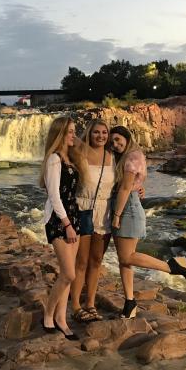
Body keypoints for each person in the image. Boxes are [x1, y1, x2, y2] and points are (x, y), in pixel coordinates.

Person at [109, 125, 186, 319]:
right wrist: (139, 188)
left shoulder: (130, 158)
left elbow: (124, 190)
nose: (115, 144)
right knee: (124, 259)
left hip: (126, 209)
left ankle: (173, 266)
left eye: (118, 139)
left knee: (128, 257)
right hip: (128, 205)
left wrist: (116, 216)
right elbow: (134, 183)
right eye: (112, 141)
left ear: (127, 138)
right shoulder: (131, 155)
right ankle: (130, 303)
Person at [40, 116, 88, 340]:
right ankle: (48, 314)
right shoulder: (54, 159)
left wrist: (77, 143)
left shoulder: (70, 157)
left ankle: (62, 318)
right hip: (59, 220)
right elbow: (54, 195)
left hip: (73, 217)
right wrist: (67, 224)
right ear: (60, 134)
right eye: (70, 132)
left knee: (68, 276)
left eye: (74, 131)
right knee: (68, 273)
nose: (73, 135)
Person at [70, 119, 115, 323]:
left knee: (96, 261)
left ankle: (90, 303)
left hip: (104, 211)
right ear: (89, 133)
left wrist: (139, 187)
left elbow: (128, 178)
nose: (101, 136)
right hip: (83, 209)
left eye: (104, 133)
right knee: (81, 261)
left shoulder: (113, 156)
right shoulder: (79, 152)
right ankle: (76, 306)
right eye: (96, 132)